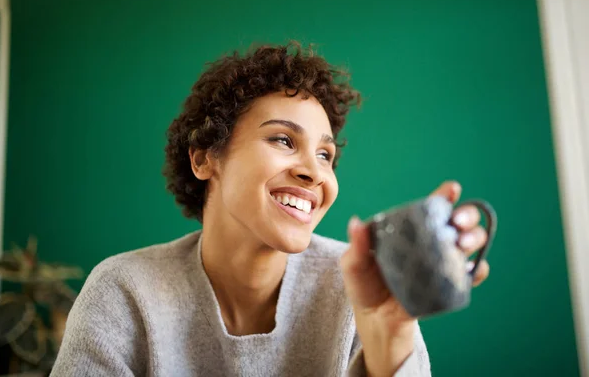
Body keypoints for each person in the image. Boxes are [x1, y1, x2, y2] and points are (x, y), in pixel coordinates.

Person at [51, 42, 490, 376]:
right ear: (204, 157)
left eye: (325, 156)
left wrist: (389, 343)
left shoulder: (365, 288)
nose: (314, 173)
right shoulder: (123, 293)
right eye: (283, 140)